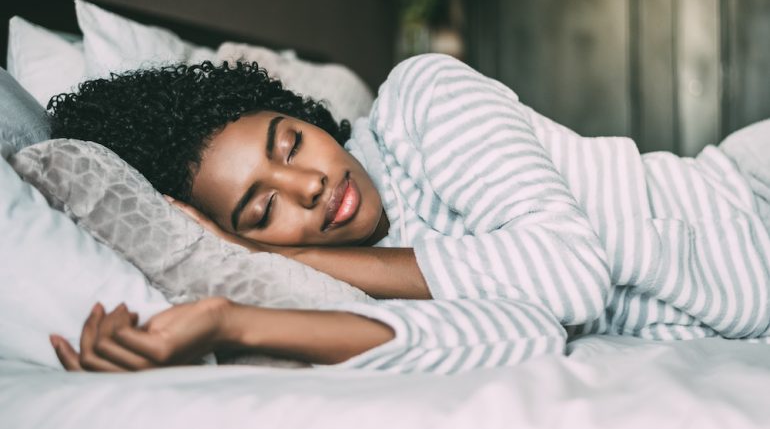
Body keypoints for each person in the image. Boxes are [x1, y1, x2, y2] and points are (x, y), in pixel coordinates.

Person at [46, 54, 770, 374]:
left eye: (291, 141)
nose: (307, 186)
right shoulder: (369, 272)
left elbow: (570, 274)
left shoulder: (424, 99)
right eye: (263, 210)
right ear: (233, 236)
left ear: (305, 115)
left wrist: (282, 255)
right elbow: (521, 332)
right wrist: (229, 319)